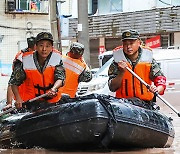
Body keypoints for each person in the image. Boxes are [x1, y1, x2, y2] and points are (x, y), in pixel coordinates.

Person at [9, 32, 65, 109]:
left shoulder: (57, 59)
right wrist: (18, 99)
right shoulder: (26, 60)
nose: (44, 49)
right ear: (36, 46)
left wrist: (54, 89)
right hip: (32, 103)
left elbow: (60, 78)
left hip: (52, 102)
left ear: (52, 47)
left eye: (47, 46)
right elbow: (14, 82)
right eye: (41, 45)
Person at [108, 29, 166, 104]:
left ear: (139, 42)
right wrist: (121, 73)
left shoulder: (148, 59)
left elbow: (160, 79)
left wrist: (157, 89)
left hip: (146, 104)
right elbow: (112, 87)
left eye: (131, 43)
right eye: (125, 44)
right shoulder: (117, 61)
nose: (128, 47)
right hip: (124, 105)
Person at [3, 37, 36, 111]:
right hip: (23, 100)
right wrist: (9, 103)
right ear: (31, 49)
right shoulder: (21, 60)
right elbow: (12, 82)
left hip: (34, 98)